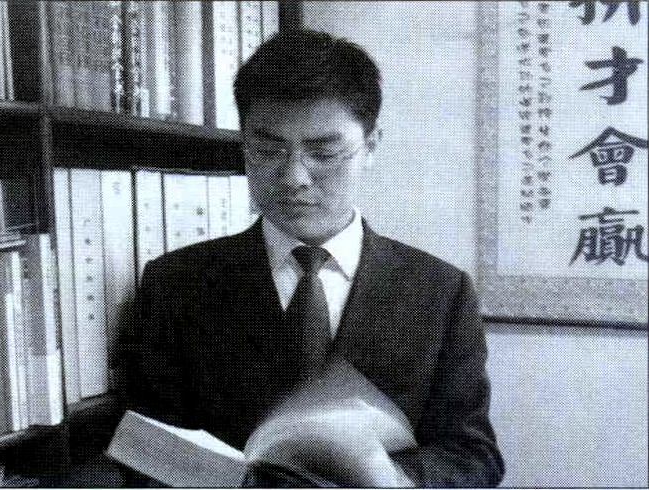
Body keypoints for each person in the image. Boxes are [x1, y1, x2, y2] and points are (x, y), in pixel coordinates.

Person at [121, 29, 504, 487]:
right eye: (268, 150)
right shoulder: (176, 283)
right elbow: (148, 453)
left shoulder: (440, 292)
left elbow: (473, 454)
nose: (294, 177)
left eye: (323, 152)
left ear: (371, 145)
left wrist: (395, 479)